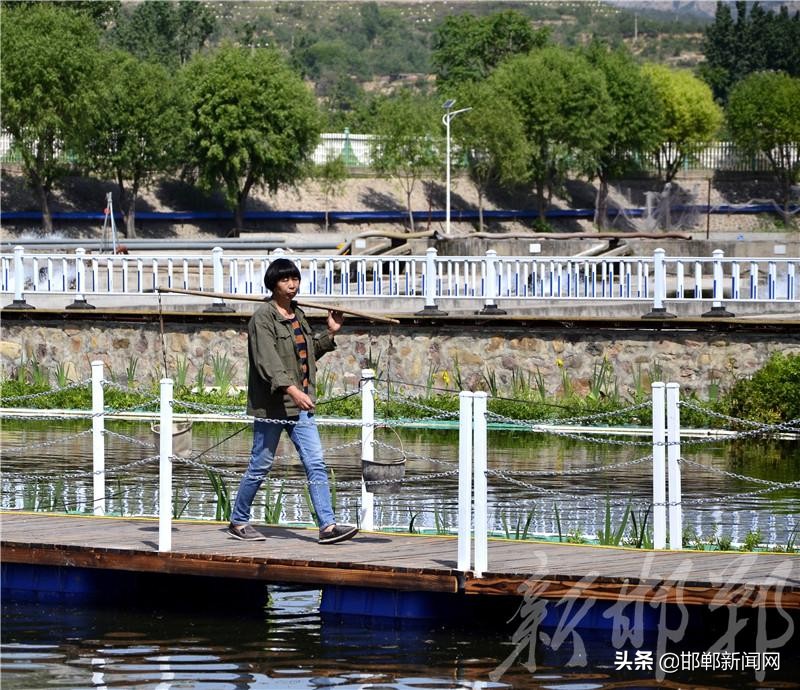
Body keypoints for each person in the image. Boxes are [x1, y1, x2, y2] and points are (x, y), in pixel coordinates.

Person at [228, 258, 358, 545]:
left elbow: (308, 354)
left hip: (301, 406)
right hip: (274, 405)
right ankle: (238, 520)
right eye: (286, 279)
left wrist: (331, 332)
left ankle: (327, 527)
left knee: (316, 463)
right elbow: (268, 363)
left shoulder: (298, 315)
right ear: (273, 283)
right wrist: (293, 391)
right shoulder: (262, 318)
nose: (293, 284)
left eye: (295, 279)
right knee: (260, 464)